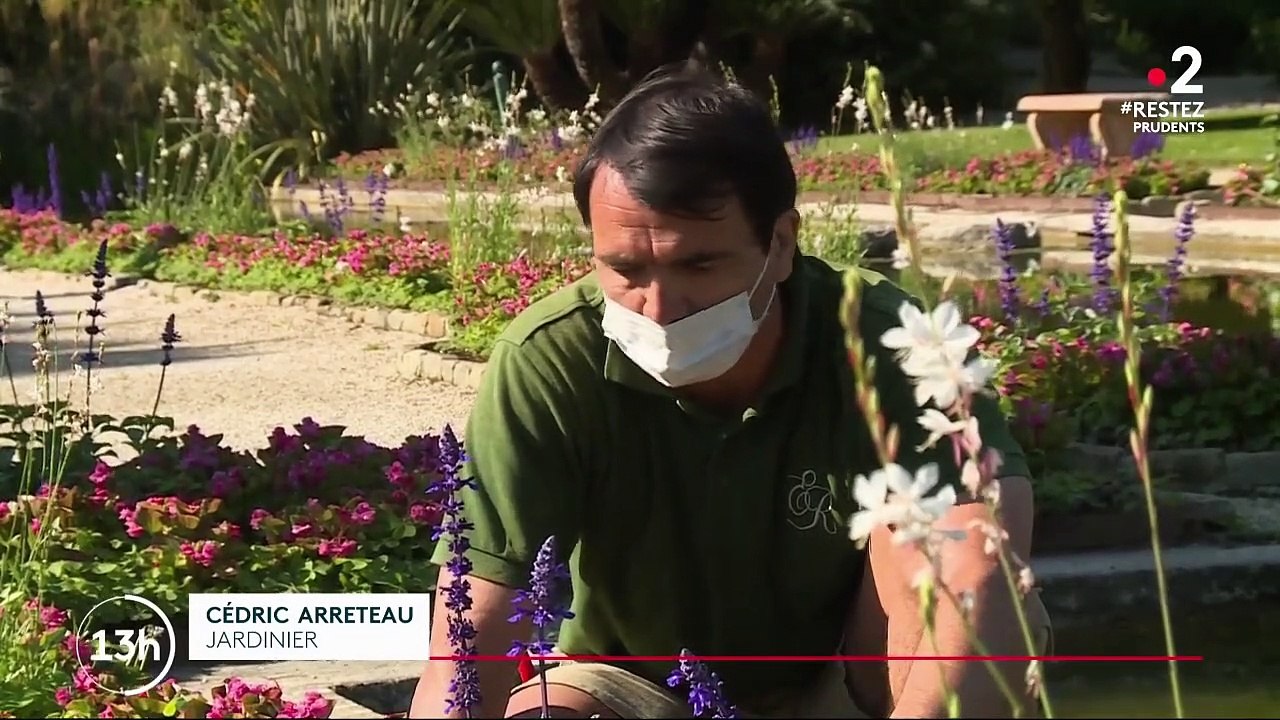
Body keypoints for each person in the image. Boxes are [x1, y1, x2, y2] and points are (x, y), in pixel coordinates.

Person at [410, 65, 1051, 719]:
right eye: (626, 270)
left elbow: (989, 553)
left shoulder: (885, 340)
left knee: (966, 559)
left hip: (844, 683)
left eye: (698, 263)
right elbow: (470, 635)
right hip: (630, 686)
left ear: (779, 243)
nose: (659, 307)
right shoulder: (550, 360)